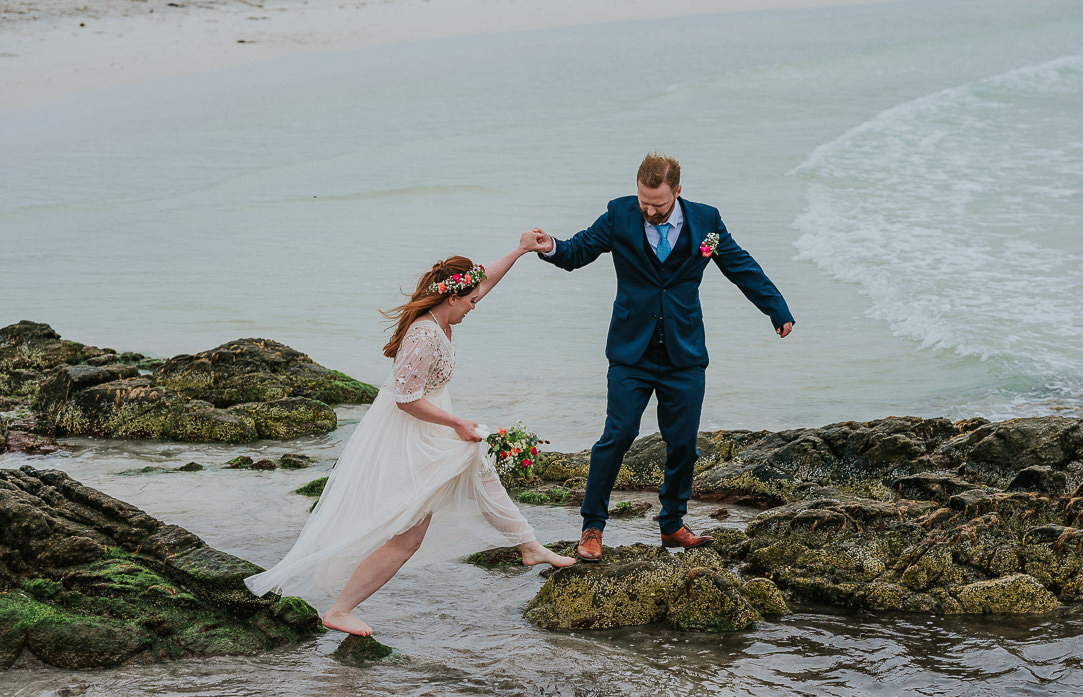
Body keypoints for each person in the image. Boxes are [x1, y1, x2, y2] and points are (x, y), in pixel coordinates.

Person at [245, 237, 575, 637]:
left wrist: (521, 250)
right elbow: (405, 398)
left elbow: (484, 281)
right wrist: (456, 423)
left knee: (480, 472)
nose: (476, 305)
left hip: (430, 428)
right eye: (471, 301)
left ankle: (528, 545)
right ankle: (340, 610)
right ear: (453, 297)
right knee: (408, 537)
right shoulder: (424, 335)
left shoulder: (445, 315)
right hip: (412, 435)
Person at [527, 152, 794, 562]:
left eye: (658, 204)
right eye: (644, 201)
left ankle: (672, 524)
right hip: (631, 353)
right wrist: (552, 247)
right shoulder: (619, 214)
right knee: (616, 438)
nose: (649, 210)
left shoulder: (707, 221)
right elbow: (579, 251)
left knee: (684, 443)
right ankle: (592, 528)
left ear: (678, 192)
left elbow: (740, 266)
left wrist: (775, 308)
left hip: (683, 352)